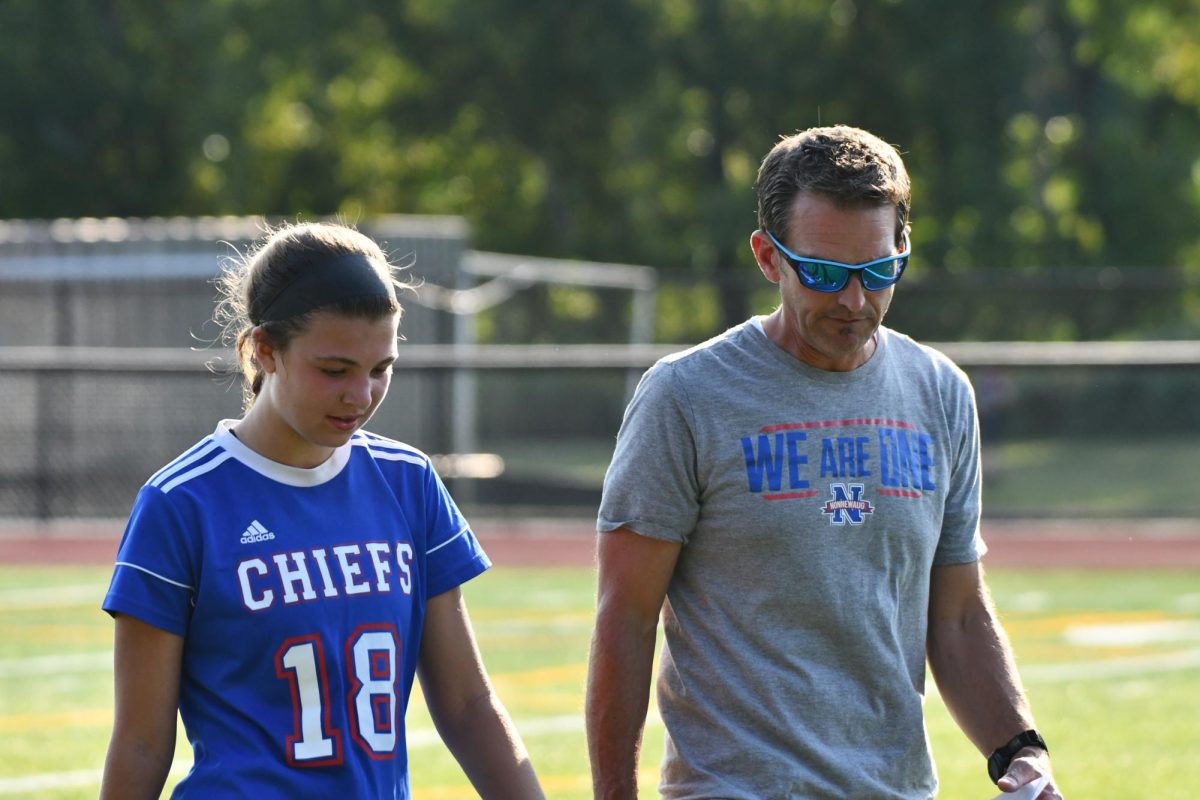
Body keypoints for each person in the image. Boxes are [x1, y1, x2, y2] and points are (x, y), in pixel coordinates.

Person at [586, 126, 1061, 799]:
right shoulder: (685, 396)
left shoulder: (939, 392)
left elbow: (955, 616)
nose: (853, 301)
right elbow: (625, 619)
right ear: (767, 257)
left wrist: (1020, 749)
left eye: (877, 272)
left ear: (902, 250)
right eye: (824, 272)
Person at [99, 221, 544, 799]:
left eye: (380, 369)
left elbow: (468, 704)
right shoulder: (181, 502)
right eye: (334, 370)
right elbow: (141, 743)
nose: (360, 395)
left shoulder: (408, 481)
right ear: (265, 349)